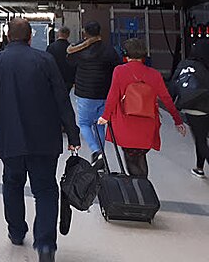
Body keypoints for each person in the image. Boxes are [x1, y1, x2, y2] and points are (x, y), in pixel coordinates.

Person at [0, 18, 79, 262]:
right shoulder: (45, 60)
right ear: (30, 38)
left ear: (8, 37)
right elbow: (62, 98)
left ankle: (17, 232)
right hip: (44, 140)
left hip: (9, 140)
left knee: (12, 183)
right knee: (46, 190)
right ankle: (45, 246)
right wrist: (73, 134)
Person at [98, 38, 185, 177]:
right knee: (140, 157)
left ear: (125, 54)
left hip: (126, 124)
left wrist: (105, 116)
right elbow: (167, 99)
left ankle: (140, 192)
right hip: (147, 125)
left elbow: (113, 96)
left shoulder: (119, 71)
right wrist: (178, 120)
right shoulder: (154, 74)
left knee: (131, 159)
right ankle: (144, 189)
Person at [66, 21, 121, 167]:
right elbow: (118, 67)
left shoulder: (81, 49)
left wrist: (81, 42)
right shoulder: (109, 49)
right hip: (104, 92)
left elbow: (69, 60)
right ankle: (101, 153)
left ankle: (97, 151)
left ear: (85, 32)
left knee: (84, 123)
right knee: (101, 124)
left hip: (85, 93)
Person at [169, 40, 209, 178]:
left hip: (194, 107)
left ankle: (200, 167)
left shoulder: (185, 64)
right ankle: (199, 167)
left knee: (200, 139)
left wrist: (171, 103)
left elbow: (174, 84)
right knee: (201, 139)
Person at [46, 27, 74, 92]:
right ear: (68, 35)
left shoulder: (51, 47)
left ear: (58, 34)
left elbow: (47, 62)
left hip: (54, 77)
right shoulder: (72, 48)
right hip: (68, 79)